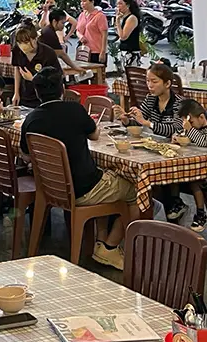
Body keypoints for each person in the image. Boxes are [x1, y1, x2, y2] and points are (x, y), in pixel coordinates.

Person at [20, 68, 139, 271]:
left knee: (105, 175)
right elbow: (94, 136)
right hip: (84, 189)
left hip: (52, 188)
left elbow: (25, 155)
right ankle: (111, 246)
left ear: (37, 92)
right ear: (62, 89)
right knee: (137, 189)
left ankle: (101, 243)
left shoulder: (32, 119)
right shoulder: (75, 110)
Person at [114, 63, 187, 221]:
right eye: (148, 81)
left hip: (176, 152)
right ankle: (165, 208)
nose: (150, 85)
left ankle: (167, 208)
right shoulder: (150, 99)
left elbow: (175, 129)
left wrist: (148, 123)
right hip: (154, 148)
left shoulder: (179, 103)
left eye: (154, 81)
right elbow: (138, 125)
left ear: (168, 83)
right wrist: (127, 120)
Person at [176, 99, 207, 232]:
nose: (190, 126)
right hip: (192, 167)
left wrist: (191, 131)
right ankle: (176, 204)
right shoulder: (193, 130)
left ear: (201, 117)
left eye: (192, 122)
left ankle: (200, 213)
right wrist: (178, 137)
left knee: (195, 181)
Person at [11, 24, 61, 108]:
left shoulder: (48, 53)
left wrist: (33, 79)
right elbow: (17, 68)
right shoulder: (17, 50)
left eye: (26, 42)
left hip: (43, 99)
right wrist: (16, 93)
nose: (23, 45)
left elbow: (55, 79)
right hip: (24, 96)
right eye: (20, 43)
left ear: (35, 39)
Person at [76, 0, 108, 64]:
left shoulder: (100, 16)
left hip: (97, 51)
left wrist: (103, 52)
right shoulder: (82, 15)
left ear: (92, 2)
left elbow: (104, 35)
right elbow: (77, 30)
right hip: (84, 51)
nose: (82, 3)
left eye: (84, 1)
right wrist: (81, 36)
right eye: (81, 1)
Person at [115, 0, 143, 66]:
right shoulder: (124, 17)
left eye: (120, 4)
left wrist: (117, 21)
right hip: (124, 51)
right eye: (117, 4)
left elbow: (123, 37)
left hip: (131, 52)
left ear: (127, 5)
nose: (118, 6)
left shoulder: (131, 18)